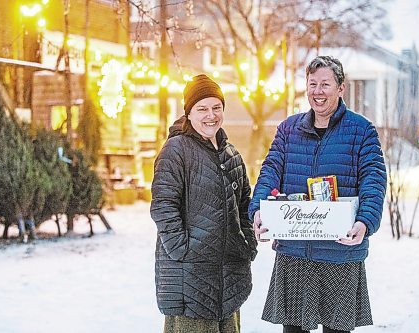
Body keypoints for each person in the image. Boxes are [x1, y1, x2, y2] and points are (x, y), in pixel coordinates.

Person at [249, 56, 387, 333]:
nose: (318, 92)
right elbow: (270, 171)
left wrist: (365, 222)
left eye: (325, 84)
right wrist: (258, 209)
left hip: (340, 252)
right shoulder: (289, 129)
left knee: (337, 330)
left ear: (340, 88)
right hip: (296, 253)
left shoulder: (361, 130)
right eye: (313, 84)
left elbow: (374, 180)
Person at [150, 74, 257, 333]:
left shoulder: (231, 155)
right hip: (190, 280)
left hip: (228, 276)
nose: (211, 115)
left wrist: (247, 242)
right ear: (189, 113)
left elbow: (244, 204)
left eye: (216, 108)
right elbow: (163, 206)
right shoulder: (176, 150)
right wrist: (182, 251)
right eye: (202, 109)